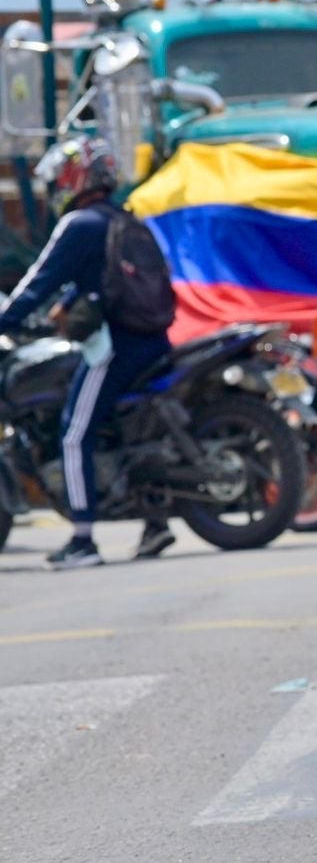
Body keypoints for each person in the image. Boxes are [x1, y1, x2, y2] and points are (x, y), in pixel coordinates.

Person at [0, 139, 174, 567]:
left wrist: (5, 320)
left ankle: (82, 540)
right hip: (152, 339)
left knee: (75, 433)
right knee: (126, 428)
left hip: (114, 346)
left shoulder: (78, 223)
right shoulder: (121, 218)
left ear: (75, 178)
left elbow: (35, 285)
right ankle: (155, 521)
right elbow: (99, 279)